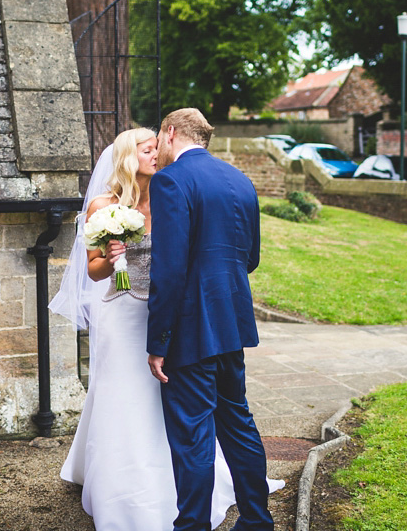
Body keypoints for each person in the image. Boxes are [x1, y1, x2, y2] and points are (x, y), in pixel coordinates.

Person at [52, 127, 280, 531]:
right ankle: (124, 489)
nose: (156, 154)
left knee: (184, 414)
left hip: (173, 317)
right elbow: (93, 269)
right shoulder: (104, 206)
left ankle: (182, 506)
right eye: (147, 150)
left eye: (158, 147)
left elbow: (178, 265)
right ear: (127, 156)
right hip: (127, 312)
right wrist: (112, 256)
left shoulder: (172, 189)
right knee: (131, 398)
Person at [148, 108, 275, 531]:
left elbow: (168, 272)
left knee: (192, 437)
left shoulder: (171, 181)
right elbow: (251, 258)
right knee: (237, 423)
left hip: (189, 331)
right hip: (232, 323)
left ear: (169, 134)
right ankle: (257, 520)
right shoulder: (240, 180)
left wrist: (158, 342)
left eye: (158, 139)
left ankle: (191, 528)